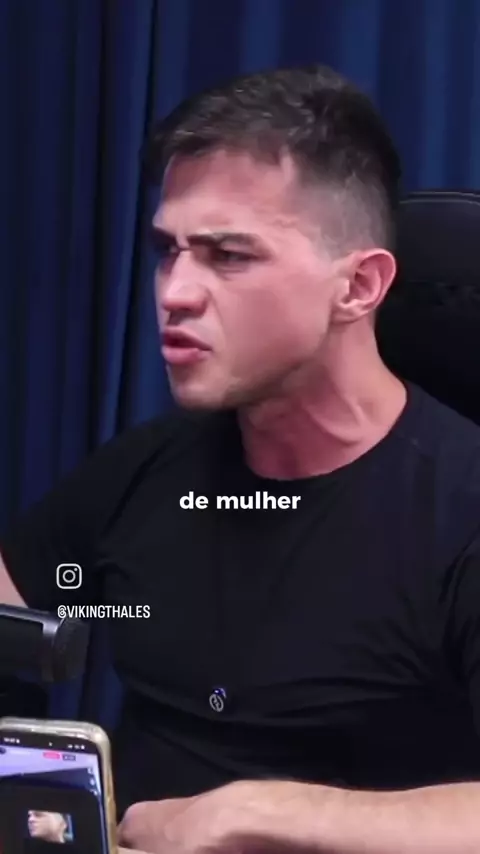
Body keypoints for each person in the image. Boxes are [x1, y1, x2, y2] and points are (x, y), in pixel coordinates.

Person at [1, 64, 480, 852]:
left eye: (227, 256)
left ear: (359, 286)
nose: (174, 292)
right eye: (168, 251)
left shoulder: (460, 509)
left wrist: (263, 812)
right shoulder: (144, 472)